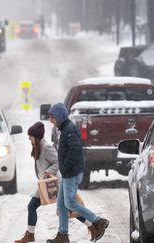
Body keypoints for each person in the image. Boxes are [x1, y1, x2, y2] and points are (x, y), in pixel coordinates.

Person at [14, 121, 93, 243]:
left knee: (65, 208)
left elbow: (58, 161)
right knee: (65, 208)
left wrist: (47, 172)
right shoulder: (38, 147)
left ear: (36, 136)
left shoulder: (46, 147)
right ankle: (92, 226)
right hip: (46, 183)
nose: (29, 138)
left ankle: (92, 226)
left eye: (31, 136)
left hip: (53, 183)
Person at [46, 103, 109, 243]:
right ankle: (63, 235)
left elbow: (75, 152)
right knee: (61, 205)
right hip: (68, 172)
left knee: (70, 203)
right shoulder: (65, 129)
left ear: (60, 117)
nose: (51, 121)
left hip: (71, 173)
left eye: (52, 118)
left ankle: (98, 221)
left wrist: (65, 168)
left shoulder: (68, 130)